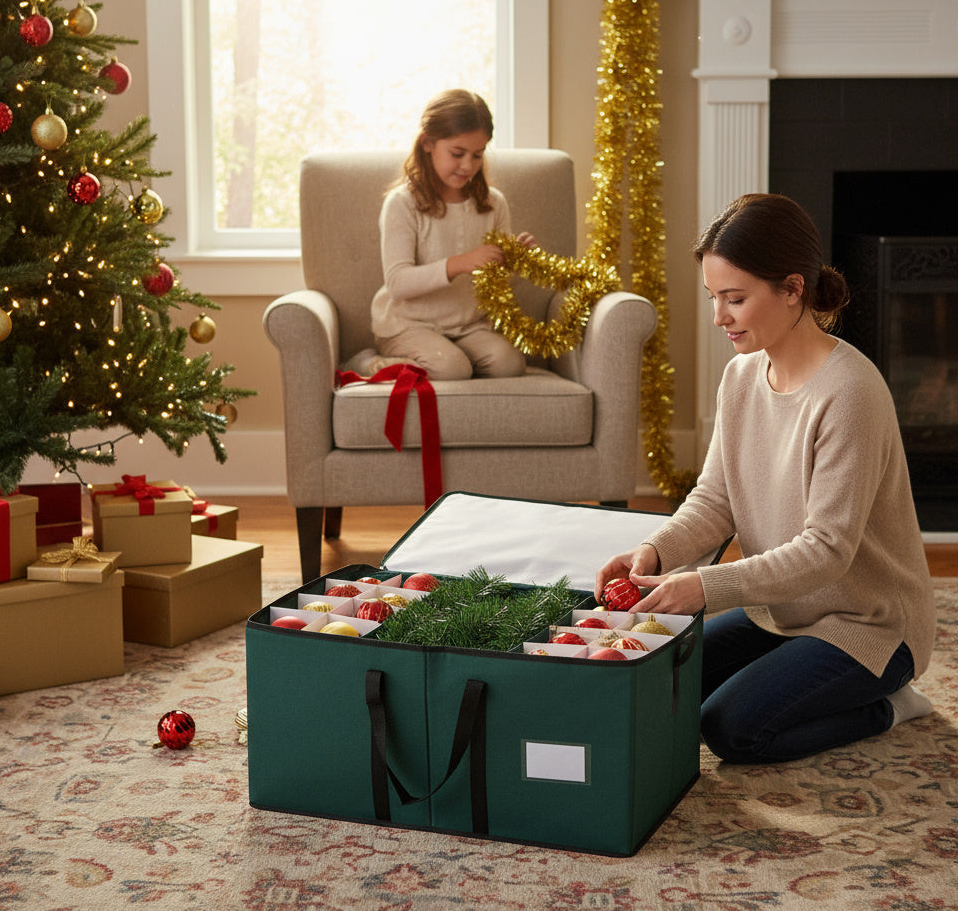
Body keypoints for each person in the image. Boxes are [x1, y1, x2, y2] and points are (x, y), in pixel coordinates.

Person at [595, 193, 936, 764]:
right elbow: (715, 499)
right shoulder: (740, 377)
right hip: (783, 611)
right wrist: (653, 552)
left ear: (793, 288)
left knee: (730, 729)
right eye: (714, 297)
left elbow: (827, 550)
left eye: (735, 299)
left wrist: (705, 587)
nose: (719, 317)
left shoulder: (850, 393)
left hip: (868, 625)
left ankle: (888, 705)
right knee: (659, 682)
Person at [361, 89, 535, 381]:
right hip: (409, 325)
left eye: (477, 155)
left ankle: (453, 357)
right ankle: (369, 363)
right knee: (452, 368)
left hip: (469, 325)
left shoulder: (494, 204)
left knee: (509, 364)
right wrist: (460, 263)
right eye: (457, 153)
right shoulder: (402, 203)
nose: (468, 166)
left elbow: (497, 284)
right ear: (428, 143)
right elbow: (398, 283)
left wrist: (515, 262)